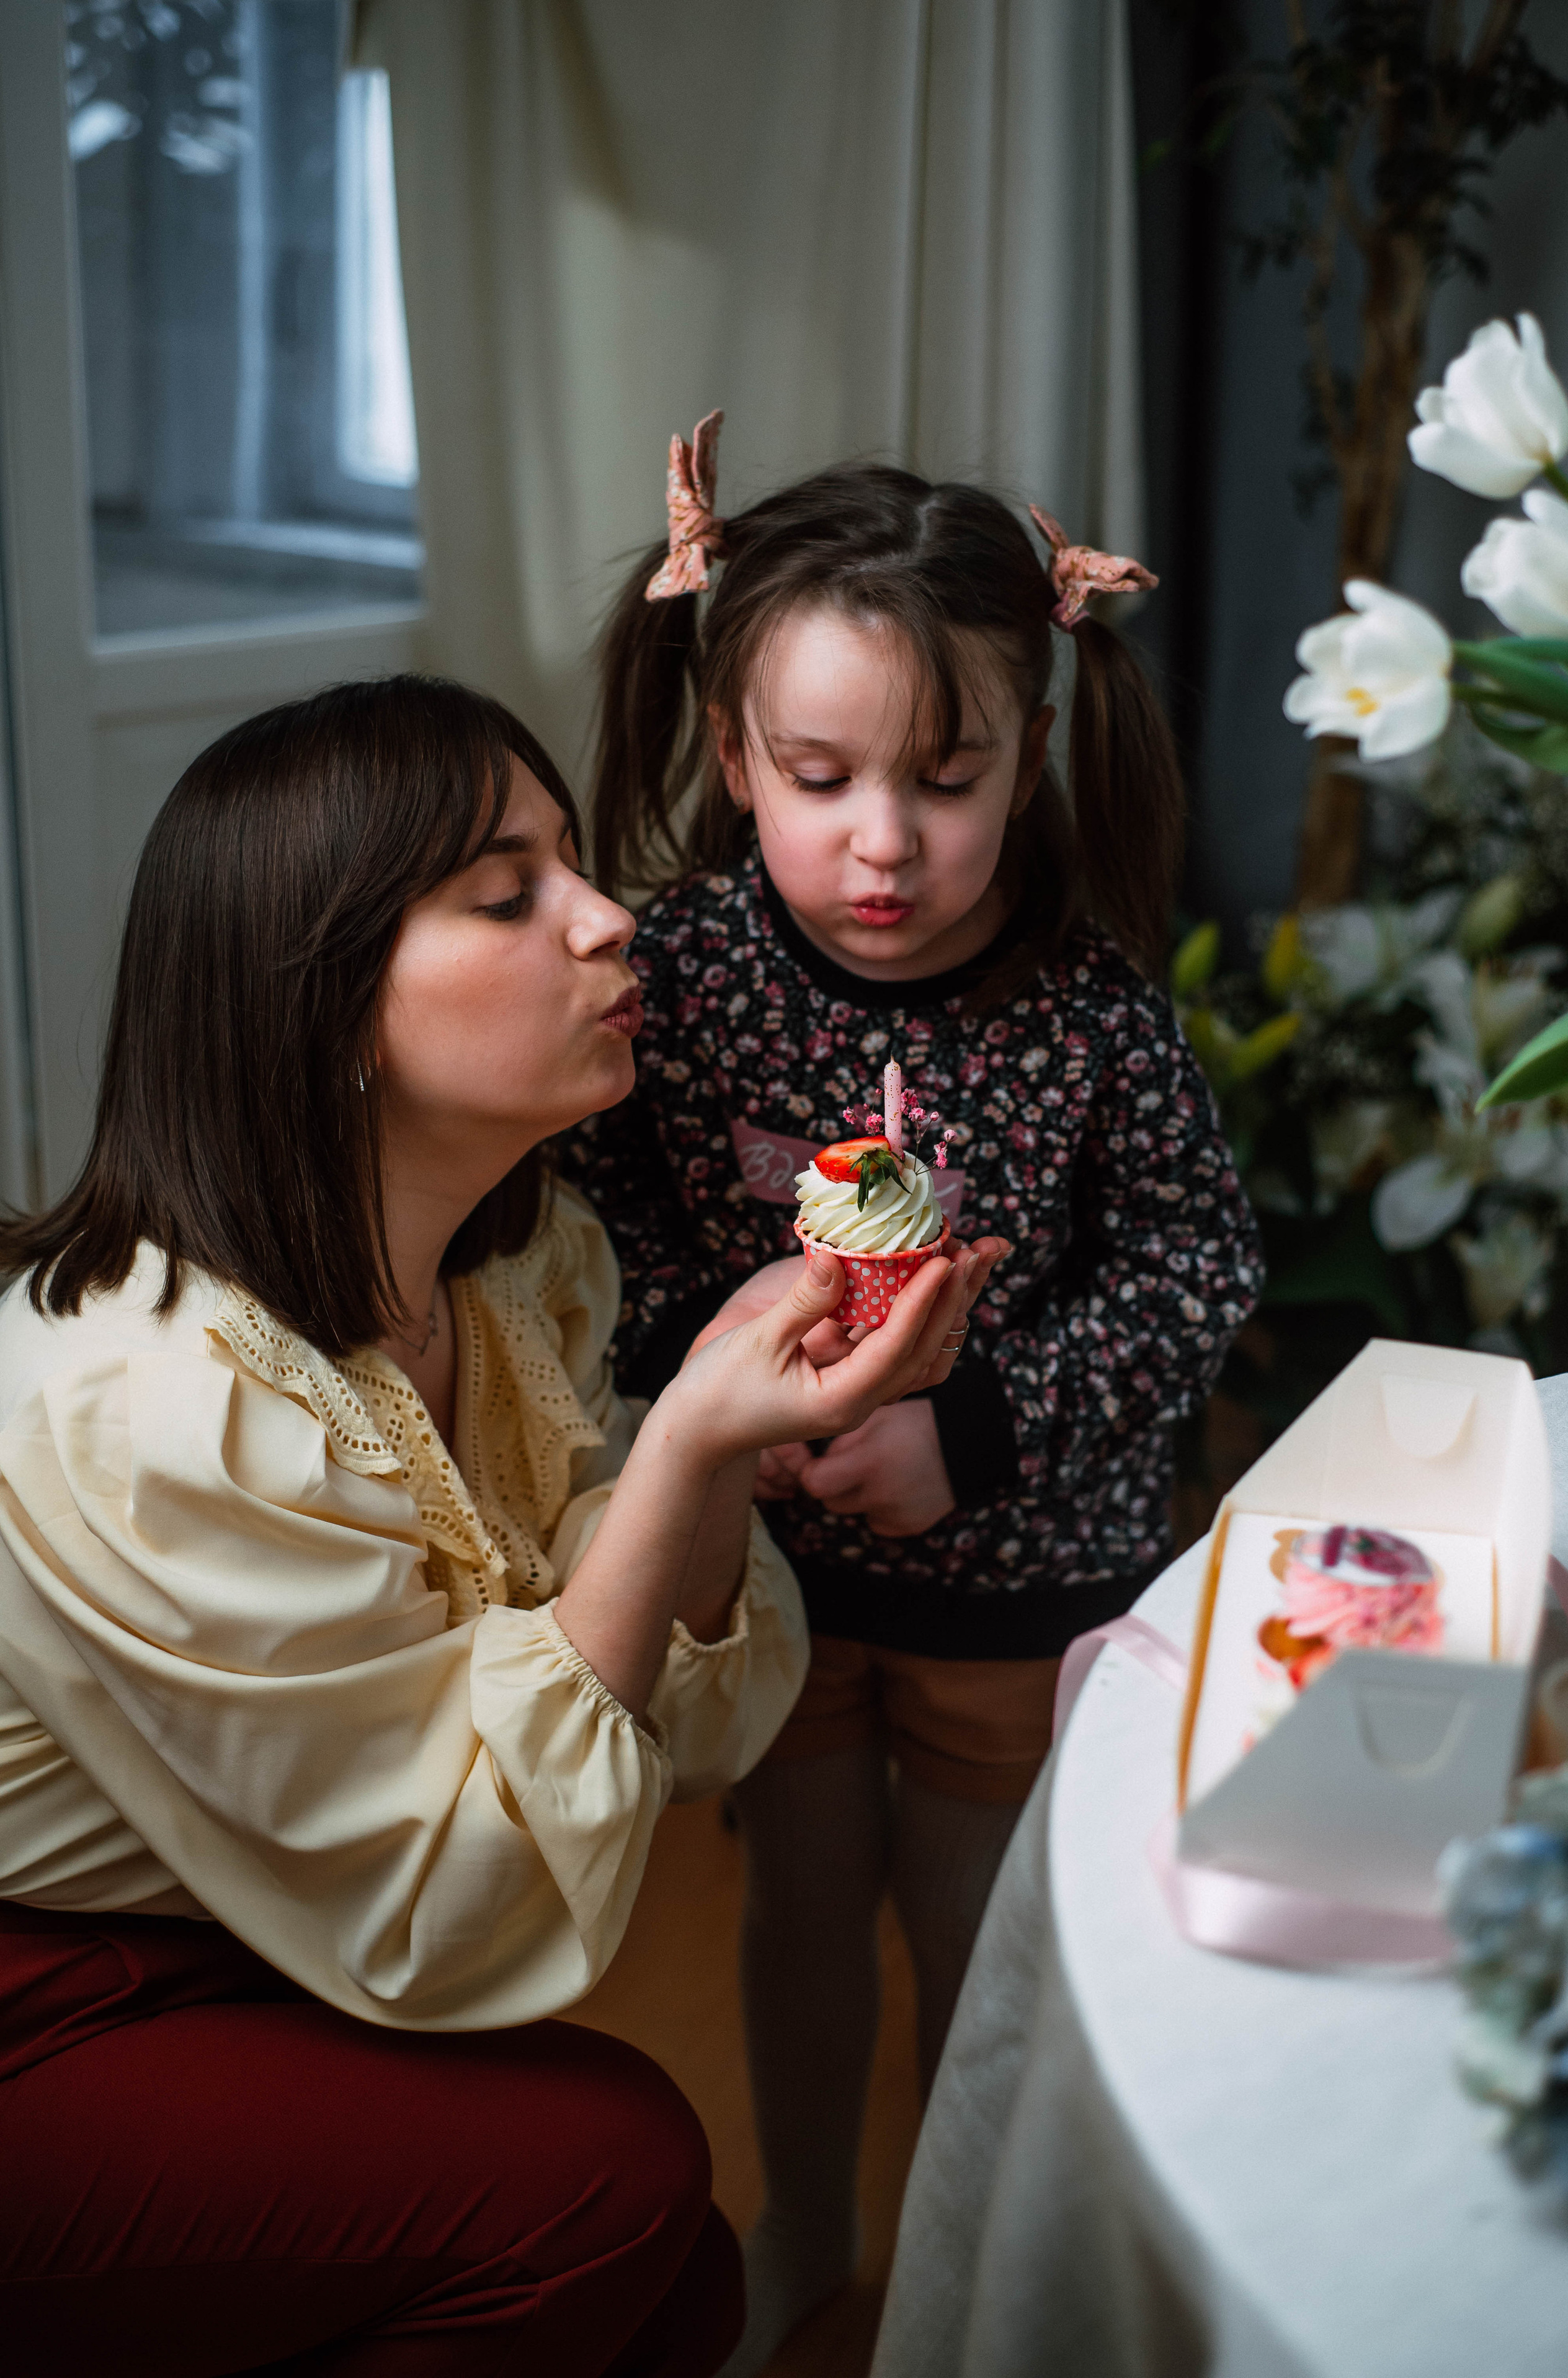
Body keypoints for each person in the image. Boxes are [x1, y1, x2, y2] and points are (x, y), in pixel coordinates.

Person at [0, 675, 990, 2378]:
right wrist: (686, 1437)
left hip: (255, 1910)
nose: (615, 921)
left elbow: (653, 1731)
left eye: (578, 864)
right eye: (508, 891)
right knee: (605, 2183)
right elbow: (446, 1900)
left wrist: (704, 1427)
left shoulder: (517, 1271)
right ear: (328, 1005)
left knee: (672, 2288)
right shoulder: (157, 1404)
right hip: (50, 1990)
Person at [563, 419, 1265, 2372]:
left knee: (980, 1934)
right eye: (821, 777)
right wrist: (736, 1403)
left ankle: (974, 2267)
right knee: (798, 1920)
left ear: (1028, 759)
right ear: (732, 759)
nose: (886, 841)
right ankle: (804, 2221)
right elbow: (599, 1261)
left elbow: (1202, 1273)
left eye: (946, 781)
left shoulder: (1092, 1007)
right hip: (778, 1589)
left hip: (1020, 1581)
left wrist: (970, 1427)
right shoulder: (680, 979)